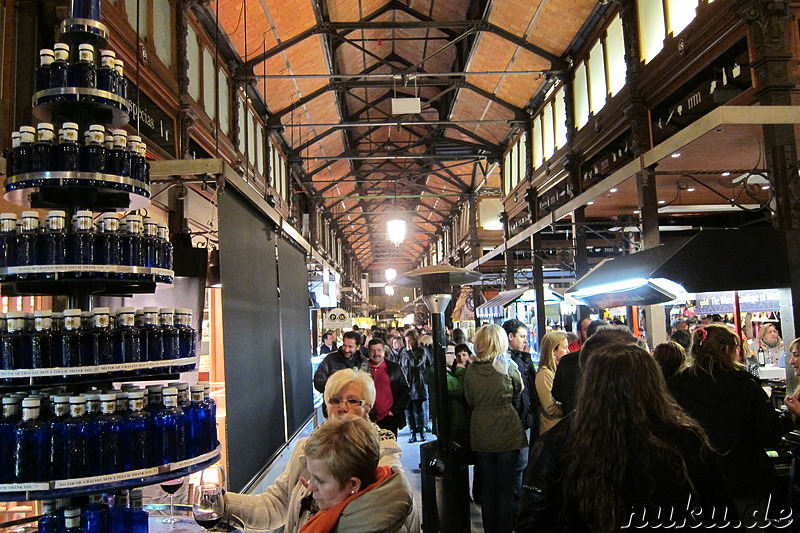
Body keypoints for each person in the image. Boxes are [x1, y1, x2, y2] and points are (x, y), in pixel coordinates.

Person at [516, 343, 735, 532]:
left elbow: (533, 520)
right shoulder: (684, 438)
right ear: (652, 383)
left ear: (589, 385)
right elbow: (721, 513)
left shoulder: (559, 441)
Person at [225, 369, 402, 532]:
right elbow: (275, 505)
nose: (342, 407)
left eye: (352, 400)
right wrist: (223, 503)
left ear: (367, 408)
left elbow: (389, 507)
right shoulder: (306, 448)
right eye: (335, 400)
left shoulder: (380, 455)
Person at [668, 324, 782, 520]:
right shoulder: (746, 386)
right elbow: (770, 435)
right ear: (729, 350)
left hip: (695, 481)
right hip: (745, 479)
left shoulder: (676, 386)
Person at [297, 415, 419, 533]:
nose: (310, 487)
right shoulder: (388, 485)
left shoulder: (366, 526)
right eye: (310, 476)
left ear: (353, 484)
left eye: (320, 481)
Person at [464, 324, 528, 533]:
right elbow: (519, 387)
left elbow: (469, 398)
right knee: (506, 488)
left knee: (489, 488)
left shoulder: (471, 369)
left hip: (481, 431)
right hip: (506, 428)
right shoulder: (506, 365)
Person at [550, 319, 608, 415]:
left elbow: (557, 393)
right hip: (601, 422)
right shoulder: (609, 361)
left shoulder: (567, 360)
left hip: (573, 420)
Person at [423, 343, 468, 450]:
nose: (455, 357)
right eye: (452, 354)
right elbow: (459, 389)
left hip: (452, 423)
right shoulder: (439, 374)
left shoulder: (444, 372)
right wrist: (461, 370)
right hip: (451, 424)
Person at [361, 338, 409, 438]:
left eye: (379, 350)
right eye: (373, 350)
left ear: (384, 351)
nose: (376, 353)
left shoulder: (394, 368)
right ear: (368, 352)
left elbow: (405, 391)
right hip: (367, 419)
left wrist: (394, 412)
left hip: (389, 419)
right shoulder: (362, 369)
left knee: (389, 450)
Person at [399, 328, 432, 443]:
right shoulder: (403, 351)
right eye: (406, 340)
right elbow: (401, 366)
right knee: (409, 411)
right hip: (407, 383)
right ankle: (412, 432)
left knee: (418, 409)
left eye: (410, 341)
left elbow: (416, 363)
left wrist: (409, 352)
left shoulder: (421, 350)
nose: (408, 343)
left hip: (417, 383)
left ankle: (422, 431)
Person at [535, 331, 568, 435]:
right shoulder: (544, 374)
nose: (568, 351)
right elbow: (550, 408)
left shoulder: (557, 371)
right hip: (552, 431)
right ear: (553, 350)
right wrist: (570, 407)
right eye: (564, 347)